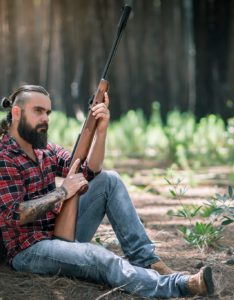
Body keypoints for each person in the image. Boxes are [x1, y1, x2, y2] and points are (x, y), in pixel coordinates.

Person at [0, 85, 214, 298]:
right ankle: (180, 286)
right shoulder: (5, 157)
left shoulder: (45, 150)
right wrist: (61, 193)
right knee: (98, 257)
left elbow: (88, 171)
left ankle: (146, 260)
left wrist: (100, 131)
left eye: (48, 112)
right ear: (17, 113)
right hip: (28, 251)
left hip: (58, 232)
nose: (45, 118)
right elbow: (15, 215)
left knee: (109, 180)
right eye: (38, 111)